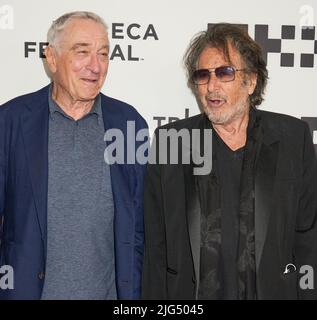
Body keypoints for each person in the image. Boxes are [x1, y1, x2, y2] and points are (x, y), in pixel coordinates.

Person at [142, 23, 317, 300]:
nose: (212, 86)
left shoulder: (292, 138)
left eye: (224, 73)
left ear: (251, 82)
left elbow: (309, 237)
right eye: (203, 75)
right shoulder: (170, 142)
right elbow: (154, 245)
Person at [0, 11, 148, 300]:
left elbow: (140, 230)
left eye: (104, 54)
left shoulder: (129, 123)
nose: (95, 66)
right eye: (82, 52)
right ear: (51, 58)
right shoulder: (11, 121)